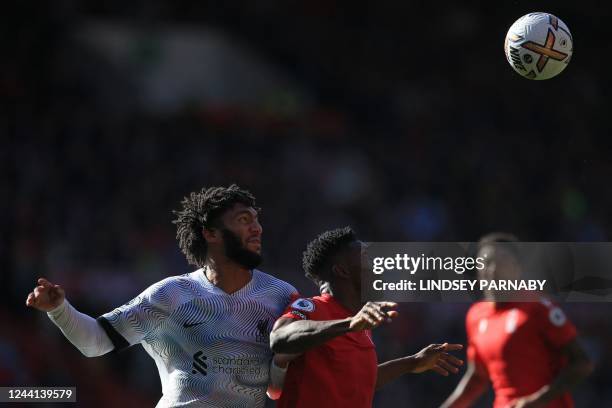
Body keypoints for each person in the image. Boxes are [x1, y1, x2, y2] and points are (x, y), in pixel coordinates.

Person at [26, 184, 298, 407]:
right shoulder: (173, 294)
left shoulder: (281, 296)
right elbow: (96, 342)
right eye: (244, 220)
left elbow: (278, 385)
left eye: (257, 220)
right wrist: (59, 309)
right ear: (210, 233)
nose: (257, 228)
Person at [267, 227, 464, 407]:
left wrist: (412, 362)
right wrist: (349, 324)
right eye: (366, 258)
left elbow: (358, 382)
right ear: (342, 270)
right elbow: (279, 338)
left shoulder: (360, 322)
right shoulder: (314, 307)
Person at [441, 233, 593, 408]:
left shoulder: (537, 307)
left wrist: (536, 401)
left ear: (517, 268)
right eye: (484, 264)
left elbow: (582, 363)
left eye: (500, 263)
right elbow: (478, 377)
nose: (491, 270)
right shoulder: (476, 315)